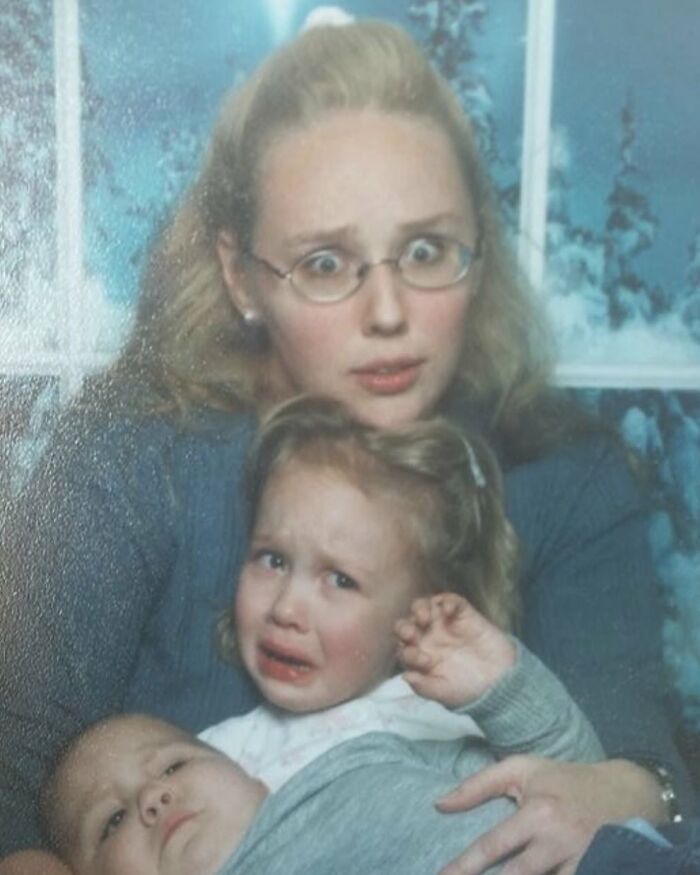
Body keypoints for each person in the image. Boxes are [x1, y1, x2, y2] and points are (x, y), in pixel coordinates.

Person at [0, 17, 691, 874]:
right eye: (327, 263)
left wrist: (618, 791)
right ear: (240, 276)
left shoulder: (566, 474)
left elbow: (648, 762)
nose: (390, 314)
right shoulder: (139, 453)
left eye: (428, 250)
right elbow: (13, 752)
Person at [200, 394, 603, 790]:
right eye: (273, 560)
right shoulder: (219, 759)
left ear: (421, 611)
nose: (286, 609)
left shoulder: (442, 724)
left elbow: (578, 790)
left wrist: (506, 697)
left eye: (341, 580)